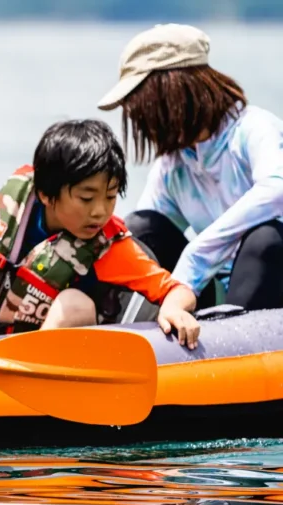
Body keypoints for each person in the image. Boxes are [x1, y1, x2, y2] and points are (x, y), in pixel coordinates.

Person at [97, 23, 283, 311]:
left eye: (141, 104)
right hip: (215, 291)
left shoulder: (254, 129)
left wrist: (198, 254)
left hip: (271, 280)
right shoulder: (173, 165)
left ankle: (231, 346)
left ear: (176, 91)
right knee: (141, 229)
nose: (137, 117)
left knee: (265, 239)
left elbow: (276, 191)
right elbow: (142, 238)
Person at [0, 119, 201, 349]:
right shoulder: (16, 204)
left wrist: (174, 307)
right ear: (45, 194)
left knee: (75, 305)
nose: (100, 211)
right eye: (86, 198)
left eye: (111, 196)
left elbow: (178, 290)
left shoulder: (110, 248)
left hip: (54, 356)